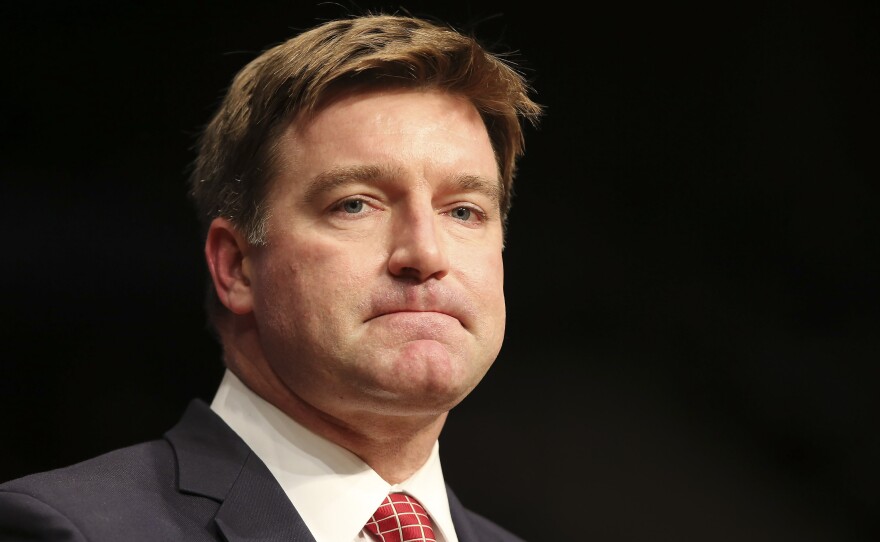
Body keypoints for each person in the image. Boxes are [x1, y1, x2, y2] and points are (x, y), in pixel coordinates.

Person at [0, 11, 542, 542]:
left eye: (464, 211)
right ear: (237, 267)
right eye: (355, 204)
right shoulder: (68, 528)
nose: (425, 252)